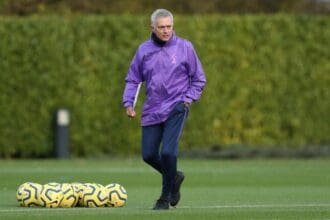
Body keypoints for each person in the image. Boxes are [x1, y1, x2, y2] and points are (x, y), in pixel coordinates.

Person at [122, 9, 206, 210]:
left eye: (169, 26)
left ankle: (164, 198)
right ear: (152, 28)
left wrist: (187, 99)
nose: (166, 31)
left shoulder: (185, 47)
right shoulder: (143, 50)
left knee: (168, 152)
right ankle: (174, 176)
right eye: (161, 27)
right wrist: (128, 103)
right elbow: (134, 79)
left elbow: (199, 79)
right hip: (152, 109)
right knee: (149, 155)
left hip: (177, 107)